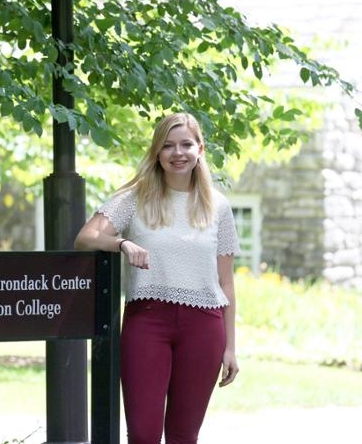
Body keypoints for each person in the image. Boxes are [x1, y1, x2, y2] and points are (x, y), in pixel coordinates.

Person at [75, 112, 240, 444]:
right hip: (147, 322)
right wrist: (121, 243)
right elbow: (86, 237)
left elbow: (226, 283)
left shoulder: (218, 207)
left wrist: (231, 348)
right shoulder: (136, 197)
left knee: (183, 435)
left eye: (185, 145)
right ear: (157, 152)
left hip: (205, 326)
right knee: (144, 434)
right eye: (167, 146)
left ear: (200, 150)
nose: (177, 153)